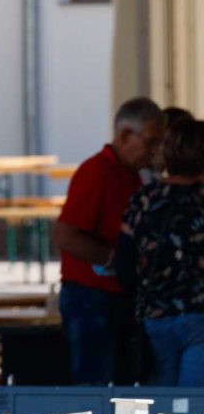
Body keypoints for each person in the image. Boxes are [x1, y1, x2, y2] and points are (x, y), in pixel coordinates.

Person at [55, 97, 164, 385]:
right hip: (90, 297)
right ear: (126, 135)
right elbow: (65, 235)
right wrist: (117, 259)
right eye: (151, 142)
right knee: (95, 387)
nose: (154, 152)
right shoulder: (96, 172)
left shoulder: (131, 175)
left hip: (117, 296)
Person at [115, 119, 204, 386]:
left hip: (155, 316)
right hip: (200, 317)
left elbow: (124, 261)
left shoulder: (145, 199)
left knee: (158, 407)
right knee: (194, 407)